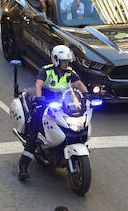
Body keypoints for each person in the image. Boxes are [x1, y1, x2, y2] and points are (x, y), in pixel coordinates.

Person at [18, 45, 87, 180]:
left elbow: (79, 84)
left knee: (75, 122)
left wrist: (86, 96)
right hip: (45, 103)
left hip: (63, 105)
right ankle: (23, 167)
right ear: (56, 60)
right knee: (35, 131)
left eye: (67, 61)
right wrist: (39, 98)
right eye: (64, 61)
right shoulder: (46, 70)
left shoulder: (69, 72)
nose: (66, 63)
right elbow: (38, 84)